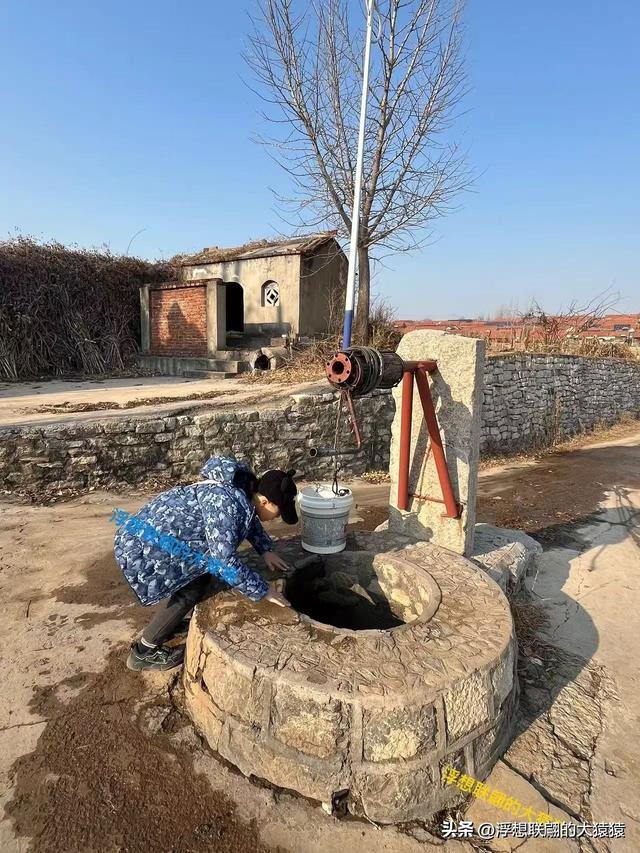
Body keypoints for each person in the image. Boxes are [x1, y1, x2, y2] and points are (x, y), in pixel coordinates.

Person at [113, 456, 297, 671]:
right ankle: (144, 652)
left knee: (200, 579)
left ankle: (167, 625)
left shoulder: (242, 488)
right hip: (145, 546)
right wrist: (263, 591)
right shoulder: (226, 505)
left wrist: (265, 549)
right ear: (264, 501)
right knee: (191, 591)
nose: (276, 518)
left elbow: (248, 519)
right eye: (278, 513)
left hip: (151, 535)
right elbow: (224, 560)